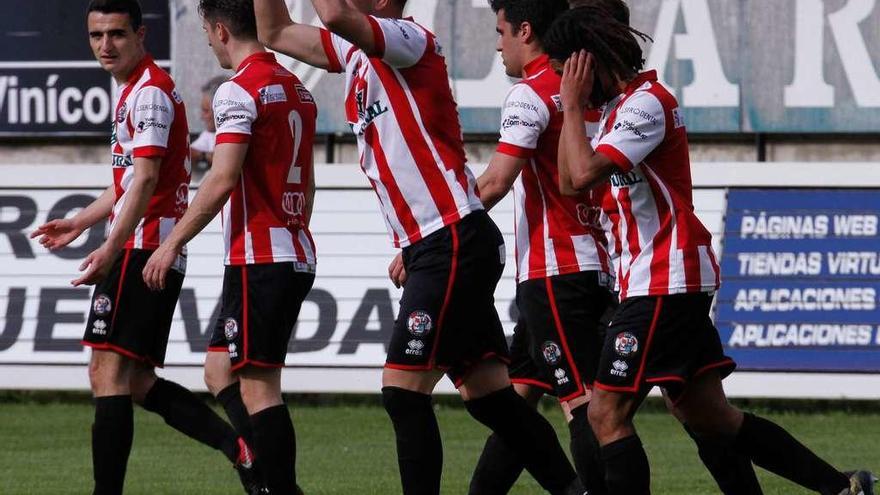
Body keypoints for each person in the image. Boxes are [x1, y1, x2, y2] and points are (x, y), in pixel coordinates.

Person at [254, 0, 584, 493]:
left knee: (402, 393)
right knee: (491, 397)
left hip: (450, 237)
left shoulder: (410, 40)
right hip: (438, 243)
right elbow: (274, 31)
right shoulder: (355, 52)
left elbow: (337, 16)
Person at [547, 6, 877, 495]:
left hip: (664, 277)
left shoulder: (647, 104)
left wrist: (572, 106)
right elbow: (567, 183)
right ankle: (844, 488)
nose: (563, 84)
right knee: (709, 417)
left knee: (605, 412)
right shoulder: (618, 110)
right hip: (655, 278)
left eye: (566, 71)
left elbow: (579, 176)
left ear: (588, 62)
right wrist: (570, 104)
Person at [31, 1, 258, 494]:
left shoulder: (150, 93)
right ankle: (240, 449)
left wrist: (110, 247)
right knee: (132, 382)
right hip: (142, 245)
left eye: (116, 34)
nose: (105, 46)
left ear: (141, 34)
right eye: (96, 36)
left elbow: (149, 178)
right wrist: (79, 222)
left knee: (105, 373)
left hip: (145, 247)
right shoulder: (134, 89)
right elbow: (130, 182)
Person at [142, 1, 318, 493]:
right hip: (292, 248)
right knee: (220, 368)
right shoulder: (297, 88)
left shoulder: (238, 91)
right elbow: (307, 185)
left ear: (220, 30)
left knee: (260, 388)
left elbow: (220, 180)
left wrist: (169, 242)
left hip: (261, 258)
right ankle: (258, 475)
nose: (208, 41)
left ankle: (279, 489)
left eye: (206, 32)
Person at [468, 1, 611, 493]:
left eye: (500, 31)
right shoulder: (590, 93)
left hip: (555, 273)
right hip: (595, 261)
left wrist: (434, 232)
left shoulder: (531, 94)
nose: (497, 43)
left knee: (581, 403)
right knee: (518, 400)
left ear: (526, 31)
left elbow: (494, 182)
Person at [190, 76, 226, 175]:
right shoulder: (209, 134)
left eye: (206, 111)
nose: (202, 117)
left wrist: (203, 155)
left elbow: (227, 161)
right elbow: (191, 152)